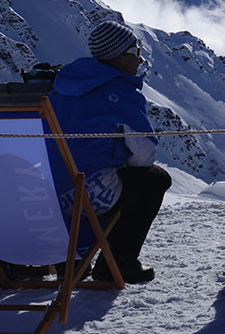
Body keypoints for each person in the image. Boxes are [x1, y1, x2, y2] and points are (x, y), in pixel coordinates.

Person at [48, 19, 172, 284]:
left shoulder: (61, 86)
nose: (139, 61)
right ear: (119, 57)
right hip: (86, 192)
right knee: (154, 180)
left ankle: (72, 256)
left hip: (47, 194)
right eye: (135, 53)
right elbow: (145, 152)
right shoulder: (118, 89)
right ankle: (118, 263)